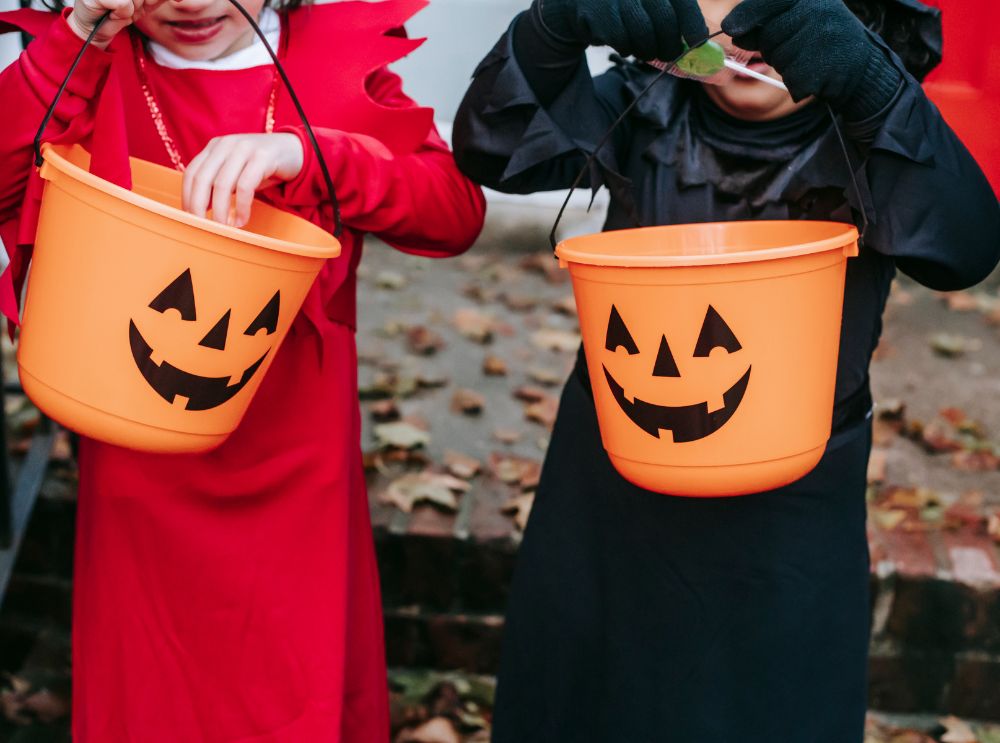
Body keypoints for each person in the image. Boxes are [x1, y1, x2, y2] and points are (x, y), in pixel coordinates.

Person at [453, 0, 1000, 740]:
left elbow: (965, 245)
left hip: (788, 517)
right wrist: (553, 25)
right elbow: (490, 146)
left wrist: (876, 88)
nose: (753, 27)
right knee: (586, 696)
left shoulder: (875, 134)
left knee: (763, 707)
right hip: (612, 483)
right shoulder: (641, 105)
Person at [0, 0, 485, 737]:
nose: (192, 1)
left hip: (296, 458)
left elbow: (453, 210)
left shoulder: (329, 64)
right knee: (153, 690)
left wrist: (315, 155)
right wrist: (74, 44)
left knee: (291, 687)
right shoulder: (90, 61)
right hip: (140, 461)